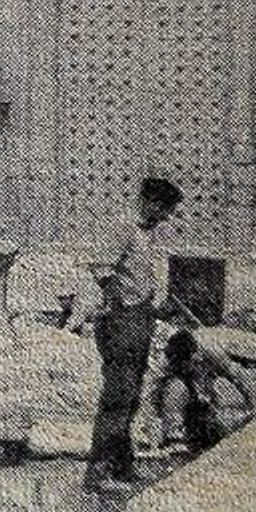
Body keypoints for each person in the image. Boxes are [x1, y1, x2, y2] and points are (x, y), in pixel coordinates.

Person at [67, 176, 184, 495]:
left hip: (140, 316)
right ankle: (98, 472)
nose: (166, 217)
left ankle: (121, 464)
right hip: (122, 321)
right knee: (117, 397)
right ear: (151, 202)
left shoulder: (148, 234)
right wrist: (119, 303)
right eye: (165, 209)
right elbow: (102, 268)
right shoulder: (122, 226)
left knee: (131, 397)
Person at [152, 329, 255, 453]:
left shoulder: (213, 352)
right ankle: (175, 436)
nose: (182, 367)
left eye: (185, 364)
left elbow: (237, 378)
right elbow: (151, 393)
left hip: (206, 392)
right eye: (178, 364)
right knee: (174, 388)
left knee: (212, 427)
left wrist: (254, 405)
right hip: (186, 394)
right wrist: (154, 427)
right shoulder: (168, 361)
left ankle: (210, 427)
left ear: (194, 356)